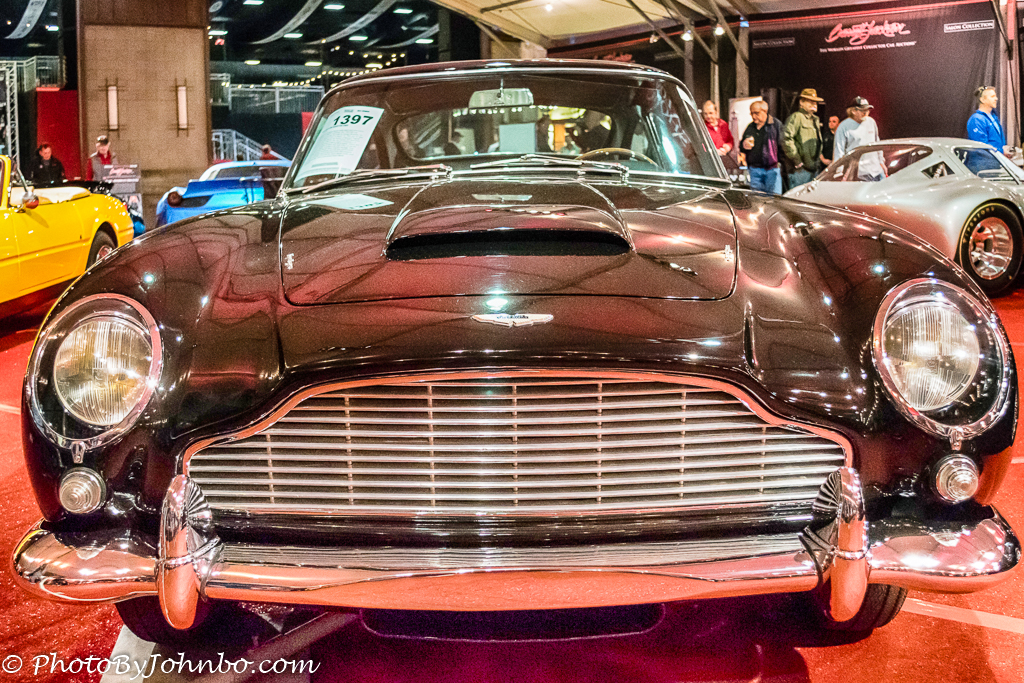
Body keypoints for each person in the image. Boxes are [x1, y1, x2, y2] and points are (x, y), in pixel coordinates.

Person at [739, 100, 784, 195]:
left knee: (774, 198)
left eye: (756, 113)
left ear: (765, 111)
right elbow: (741, 146)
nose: (753, 116)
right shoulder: (750, 127)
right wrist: (744, 144)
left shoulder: (775, 125)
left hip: (772, 169)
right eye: (751, 113)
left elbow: (782, 145)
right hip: (754, 169)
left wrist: (780, 163)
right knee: (756, 199)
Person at [782, 88, 825, 188]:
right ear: (801, 102)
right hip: (800, 171)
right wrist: (797, 161)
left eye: (815, 102)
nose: (814, 104)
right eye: (810, 101)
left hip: (813, 170)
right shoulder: (797, 117)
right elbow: (786, 139)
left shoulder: (815, 120)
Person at [834, 96, 884, 180]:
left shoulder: (871, 122)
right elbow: (839, 152)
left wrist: (881, 162)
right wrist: (839, 173)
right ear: (853, 111)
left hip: (876, 171)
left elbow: (877, 144)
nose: (866, 113)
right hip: (858, 173)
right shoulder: (843, 127)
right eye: (862, 110)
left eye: (867, 110)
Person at [967, 86, 1006, 152]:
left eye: (995, 96)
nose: (996, 99)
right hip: (984, 159)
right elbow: (981, 147)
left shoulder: (993, 118)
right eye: (992, 96)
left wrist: (1004, 150)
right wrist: (1002, 152)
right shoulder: (976, 119)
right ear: (982, 100)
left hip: (996, 157)